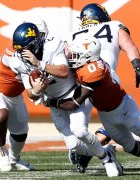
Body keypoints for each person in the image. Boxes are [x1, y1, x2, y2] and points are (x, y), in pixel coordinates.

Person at [45, 36, 140, 175]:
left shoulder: (93, 71)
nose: (71, 58)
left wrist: (50, 102)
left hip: (124, 108)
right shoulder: (86, 63)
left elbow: (72, 104)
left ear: (87, 58)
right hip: (106, 115)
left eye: (75, 55)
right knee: (130, 147)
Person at [20, 20, 123, 177]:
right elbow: (31, 94)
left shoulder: (53, 45)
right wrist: (37, 90)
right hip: (54, 102)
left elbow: (63, 72)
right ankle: (106, 151)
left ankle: (106, 159)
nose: (24, 51)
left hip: (74, 92)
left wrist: (39, 64)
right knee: (74, 145)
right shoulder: (20, 59)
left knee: (80, 131)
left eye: (27, 46)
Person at [65, 2, 140, 172]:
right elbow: (130, 47)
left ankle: (92, 151)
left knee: (78, 134)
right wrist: (138, 67)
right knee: (116, 118)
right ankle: (101, 147)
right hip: (104, 78)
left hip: (80, 82)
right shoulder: (114, 25)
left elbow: (65, 64)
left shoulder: (72, 35)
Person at [0, 21, 48, 172]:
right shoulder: (15, 57)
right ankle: (1, 151)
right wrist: (38, 91)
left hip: (14, 97)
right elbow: (31, 94)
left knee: (21, 133)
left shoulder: (44, 47)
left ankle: (14, 159)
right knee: (1, 115)